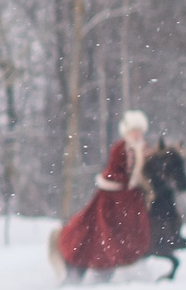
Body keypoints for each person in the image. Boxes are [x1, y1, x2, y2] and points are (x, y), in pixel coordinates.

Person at [55, 111, 154, 280]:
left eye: (139, 131)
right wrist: (126, 184)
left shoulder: (145, 149)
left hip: (135, 197)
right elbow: (113, 173)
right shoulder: (119, 149)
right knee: (103, 228)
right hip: (114, 198)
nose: (136, 135)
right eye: (133, 131)